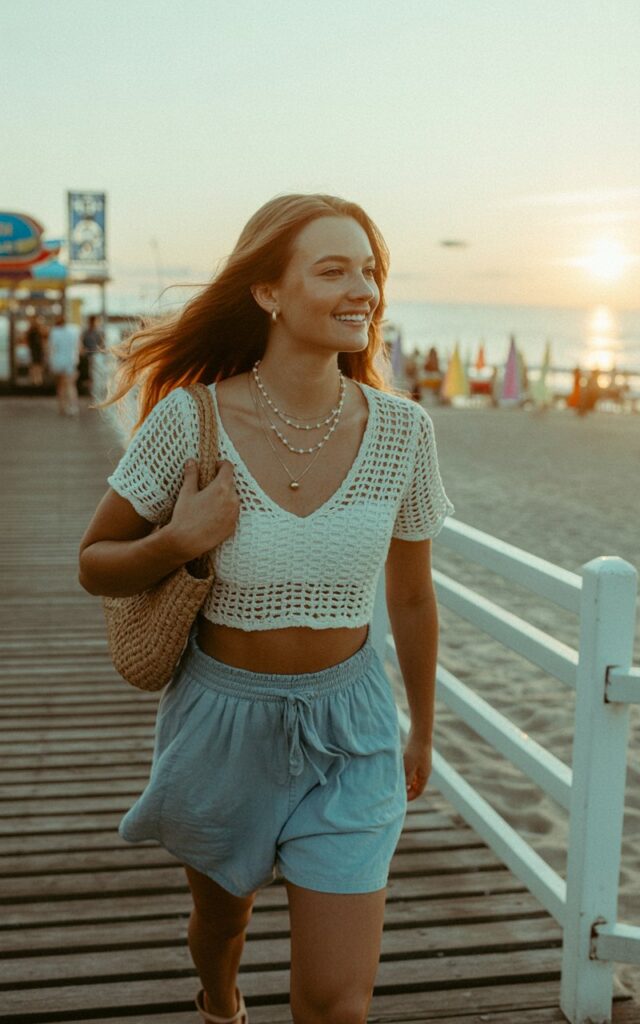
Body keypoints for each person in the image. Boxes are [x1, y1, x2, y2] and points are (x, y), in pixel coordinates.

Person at [78, 194, 454, 1024]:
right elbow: (96, 565)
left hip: (352, 728)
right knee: (223, 921)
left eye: (370, 270)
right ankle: (219, 998)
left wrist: (420, 727)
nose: (362, 289)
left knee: (335, 1003)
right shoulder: (190, 420)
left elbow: (413, 595)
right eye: (333, 270)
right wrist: (178, 540)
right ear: (268, 293)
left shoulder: (404, 432)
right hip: (222, 721)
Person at [48, 314, 81, 416]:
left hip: (58, 360)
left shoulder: (54, 332)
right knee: (71, 385)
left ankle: (62, 408)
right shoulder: (74, 330)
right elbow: (78, 346)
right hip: (70, 361)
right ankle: (73, 407)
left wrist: (50, 362)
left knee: (60, 386)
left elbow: (51, 348)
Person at [79, 314, 105, 398]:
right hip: (88, 355)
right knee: (90, 374)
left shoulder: (99, 332)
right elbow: (81, 342)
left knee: (95, 373)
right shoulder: (86, 332)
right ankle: (91, 391)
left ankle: (94, 390)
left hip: (96, 355)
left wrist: (98, 350)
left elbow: (102, 344)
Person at [26, 315, 45, 386]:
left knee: (35, 365)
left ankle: (36, 379)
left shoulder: (32, 332)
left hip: (35, 350)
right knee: (36, 365)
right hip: (36, 350)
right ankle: (37, 379)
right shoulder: (35, 332)